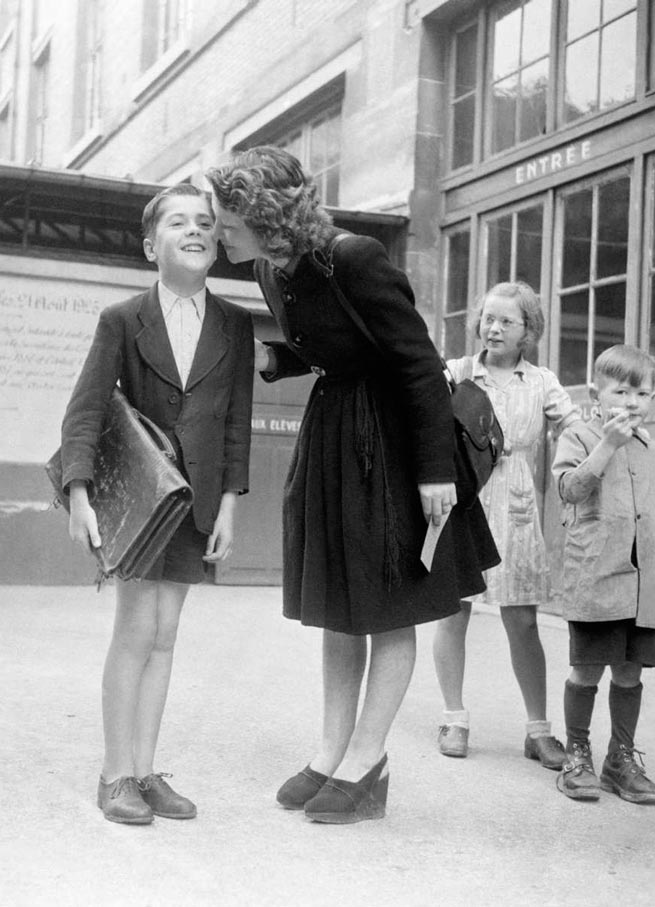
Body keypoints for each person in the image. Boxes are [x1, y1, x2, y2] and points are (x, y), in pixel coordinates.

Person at [206, 146, 499, 824]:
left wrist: (434, 473)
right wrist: (277, 357)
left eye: (227, 219)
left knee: (389, 602)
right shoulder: (268, 267)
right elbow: (324, 343)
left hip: (393, 443)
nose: (219, 230)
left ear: (266, 214)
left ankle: (368, 759)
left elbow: (419, 365)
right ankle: (330, 752)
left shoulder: (357, 257)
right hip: (336, 431)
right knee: (339, 601)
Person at [59, 183, 254, 824]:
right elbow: (85, 411)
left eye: (205, 222)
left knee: (166, 636)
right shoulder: (121, 320)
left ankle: (145, 771)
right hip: (143, 506)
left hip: (195, 506)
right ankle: (114, 774)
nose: (195, 230)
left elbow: (235, 424)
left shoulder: (235, 324)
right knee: (136, 630)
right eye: (178, 222)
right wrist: (80, 496)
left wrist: (229, 501)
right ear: (152, 246)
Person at [432, 282, 580, 767]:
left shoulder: (540, 382)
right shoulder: (455, 372)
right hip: (463, 500)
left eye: (506, 322)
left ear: (528, 331)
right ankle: (454, 717)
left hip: (516, 507)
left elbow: (576, 428)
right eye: (487, 318)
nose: (493, 328)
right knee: (453, 612)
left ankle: (538, 730)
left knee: (523, 619)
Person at [551, 344, 655, 803]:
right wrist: (608, 444)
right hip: (596, 573)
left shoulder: (653, 446)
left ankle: (621, 758)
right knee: (587, 669)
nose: (632, 402)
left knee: (630, 672)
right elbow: (570, 489)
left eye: (643, 392)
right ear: (598, 391)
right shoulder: (578, 434)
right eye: (622, 391)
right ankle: (577, 753)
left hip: (644, 581)